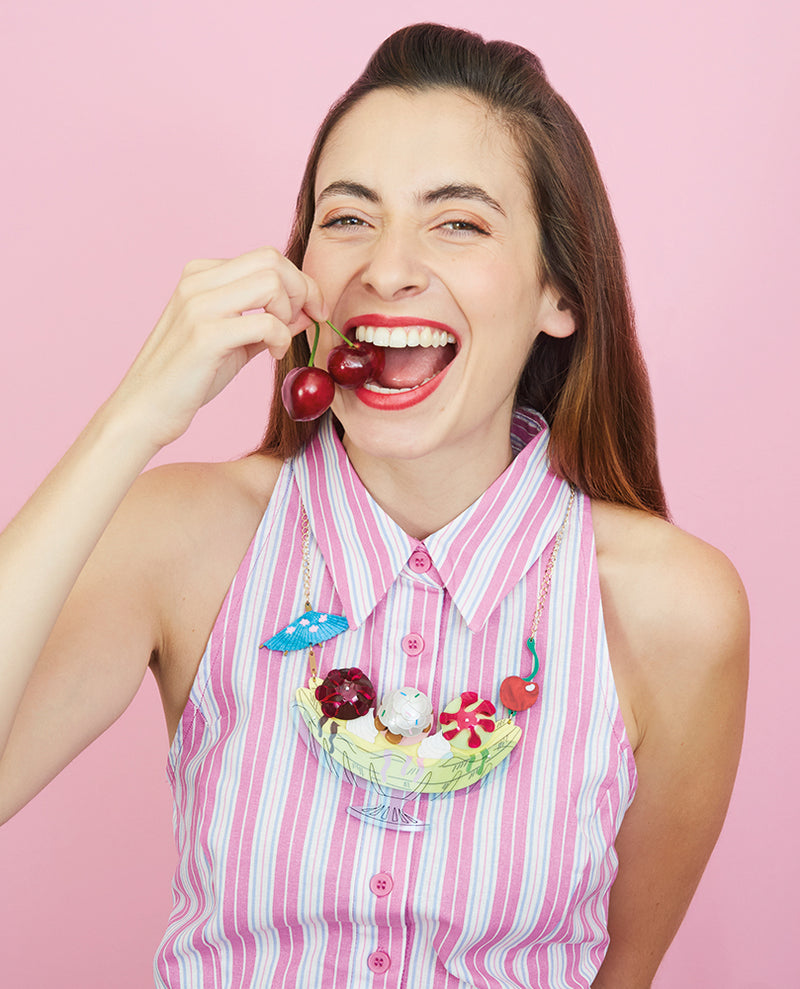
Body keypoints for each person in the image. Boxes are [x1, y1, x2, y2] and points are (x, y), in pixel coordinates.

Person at [0, 22, 747, 989]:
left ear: (559, 292)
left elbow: (625, 970)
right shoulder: (189, 538)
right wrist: (136, 415)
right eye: (348, 217)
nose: (387, 268)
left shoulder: (673, 608)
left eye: (459, 221)